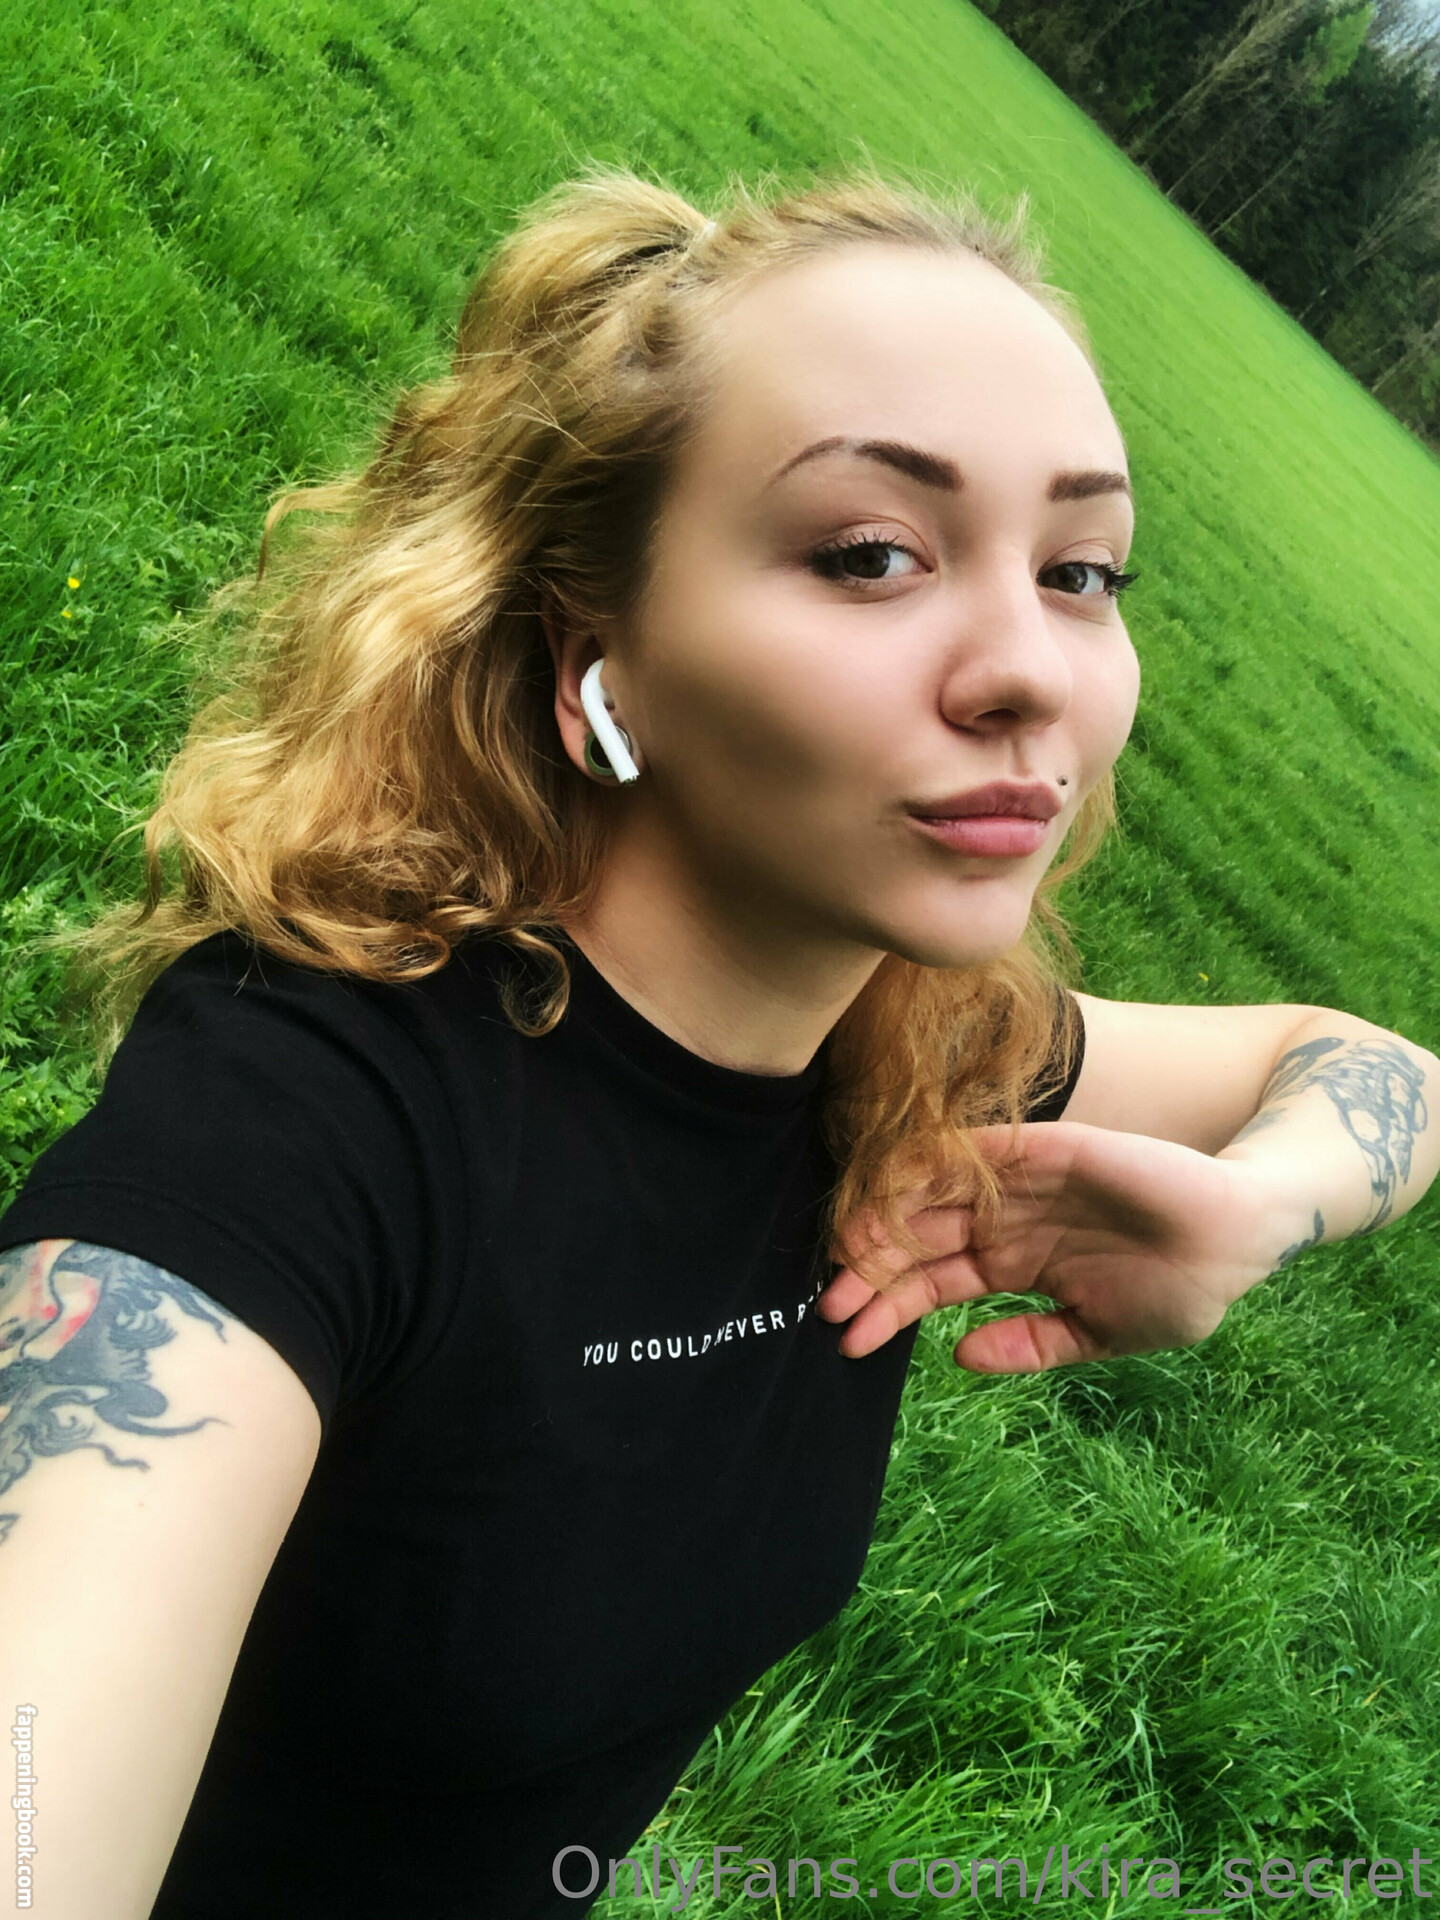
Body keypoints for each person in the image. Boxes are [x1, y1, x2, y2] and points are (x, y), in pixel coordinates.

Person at [0, 162, 1434, 1920]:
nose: (1032, 673)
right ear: (596, 656)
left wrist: (1260, 1207)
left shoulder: (914, 1048)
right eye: (872, 555)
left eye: (1081, 569)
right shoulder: (312, 1118)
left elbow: (1375, 1069)